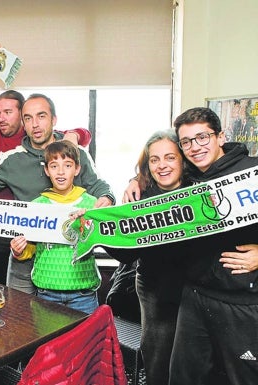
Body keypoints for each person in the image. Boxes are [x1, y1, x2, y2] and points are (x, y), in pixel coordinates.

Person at [0, 93, 114, 294]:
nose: (35, 124)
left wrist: (107, 198)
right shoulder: (12, 159)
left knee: (67, 319)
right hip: (24, 250)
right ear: (23, 123)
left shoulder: (74, 153)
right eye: (28, 118)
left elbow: (98, 186)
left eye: (41, 116)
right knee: (19, 316)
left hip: (66, 257)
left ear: (54, 120)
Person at [0, 41, 91, 285]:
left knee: (32, 290)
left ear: (23, 117)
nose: (1, 118)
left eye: (8, 112)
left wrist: (75, 134)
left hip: (35, 226)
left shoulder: (38, 136)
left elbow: (82, 134)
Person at [166, 107, 258, 385]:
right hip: (194, 297)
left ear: (220, 136)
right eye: (186, 142)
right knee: (184, 378)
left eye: (202, 137)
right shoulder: (185, 181)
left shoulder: (253, 172)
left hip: (243, 302)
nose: (195, 147)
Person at [107, 130, 189, 385]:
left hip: (196, 287)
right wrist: (98, 232)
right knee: (157, 358)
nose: (162, 165)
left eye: (169, 158)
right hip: (155, 288)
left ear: (183, 160)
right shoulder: (139, 196)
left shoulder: (201, 187)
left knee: (192, 360)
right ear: (147, 164)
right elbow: (127, 254)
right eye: (154, 160)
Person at [9, 141, 100, 314]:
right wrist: (18, 251)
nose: (60, 171)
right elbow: (31, 249)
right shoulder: (37, 205)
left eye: (67, 165)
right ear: (46, 170)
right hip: (46, 293)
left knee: (86, 341)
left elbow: (104, 241)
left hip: (84, 294)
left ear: (77, 169)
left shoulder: (91, 204)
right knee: (50, 341)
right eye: (54, 165)